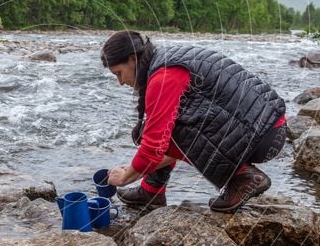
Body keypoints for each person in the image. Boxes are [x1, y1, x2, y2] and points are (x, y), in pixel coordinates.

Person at [102, 30, 287, 212]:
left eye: (119, 73)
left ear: (133, 59)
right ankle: (152, 191)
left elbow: (154, 148)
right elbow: (169, 149)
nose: (120, 82)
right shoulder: (164, 59)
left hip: (262, 136)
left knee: (162, 131)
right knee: (160, 127)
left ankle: (244, 177)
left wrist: (125, 177)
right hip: (267, 129)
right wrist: (136, 169)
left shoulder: (163, 77)